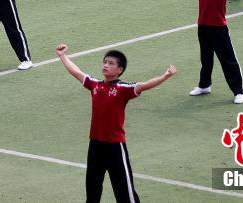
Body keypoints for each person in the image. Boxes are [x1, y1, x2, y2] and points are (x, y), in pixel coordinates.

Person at [55, 45, 176, 203]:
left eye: (111, 63)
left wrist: (165, 76)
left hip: (115, 147)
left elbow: (144, 85)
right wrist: (62, 56)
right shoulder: (95, 85)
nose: (105, 65)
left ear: (120, 70)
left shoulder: (122, 89)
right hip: (95, 145)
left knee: (124, 192)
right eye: (105, 62)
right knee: (92, 189)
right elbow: (76, 72)